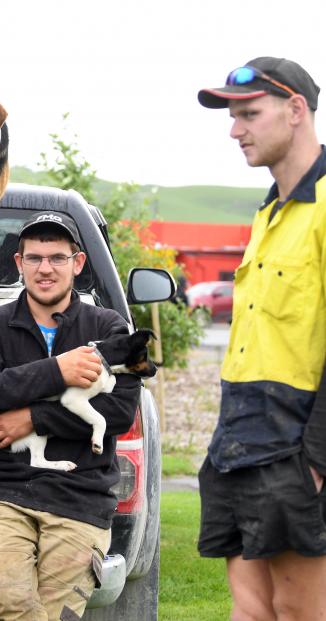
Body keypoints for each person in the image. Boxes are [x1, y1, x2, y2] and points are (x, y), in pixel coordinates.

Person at [0, 211, 142, 621]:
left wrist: (34, 418)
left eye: (57, 258)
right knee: (13, 602)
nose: (45, 269)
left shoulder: (108, 327)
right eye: (35, 258)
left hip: (80, 495)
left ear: (77, 263)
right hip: (3, 493)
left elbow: (119, 411)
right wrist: (58, 370)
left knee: (56, 612)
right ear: (19, 263)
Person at [196, 56, 326, 620]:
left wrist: (318, 460)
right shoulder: (268, 213)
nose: (234, 130)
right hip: (239, 434)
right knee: (250, 611)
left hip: (298, 441)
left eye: (249, 113)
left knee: (300, 612)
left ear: (296, 109)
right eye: (232, 115)